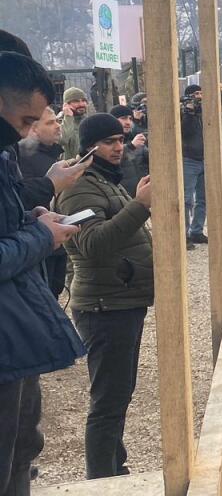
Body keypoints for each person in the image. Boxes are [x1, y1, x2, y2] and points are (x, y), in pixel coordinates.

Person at [0, 52, 85, 496]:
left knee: (22, 446)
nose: (26, 132)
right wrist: (40, 236)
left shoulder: (5, 153)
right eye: (26, 120)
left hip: (13, 334)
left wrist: (30, 219)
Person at [54, 114, 154, 480]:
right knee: (108, 402)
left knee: (118, 395)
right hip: (104, 306)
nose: (117, 148)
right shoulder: (79, 187)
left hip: (121, 300)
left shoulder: (104, 180)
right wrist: (140, 205)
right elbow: (92, 243)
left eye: (120, 140)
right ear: (89, 147)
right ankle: (101, 480)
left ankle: (115, 468)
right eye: (109, 141)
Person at [16, 107, 71, 296]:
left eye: (57, 120)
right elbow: (22, 199)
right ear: (33, 129)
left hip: (54, 241)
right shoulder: (22, 160)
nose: (58, 126)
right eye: (50, 122)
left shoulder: (51, 155)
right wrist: (50, 184)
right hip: (36, 246)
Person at [179, 84, 207, 246]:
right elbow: (185, 133)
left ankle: (197, 231)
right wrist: (189, 112)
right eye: (196, 93)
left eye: (201, 93)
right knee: (187, 199)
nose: (199, 96)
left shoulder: (205, 111)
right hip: (189, 159)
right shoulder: (183, 113)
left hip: (205, 159)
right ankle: (184, 235)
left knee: (203, 199)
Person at [109, 107, 148, 197]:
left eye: (130, 119)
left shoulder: (135, 139)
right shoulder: (107, 141)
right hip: (123, 196)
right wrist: (131, 147)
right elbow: (110, 160)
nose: (128, 122)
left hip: (142, 194)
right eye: (123, 118)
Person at [57, 88, 89, 159]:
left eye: (83, 100)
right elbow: (63, 140)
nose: (81, 104)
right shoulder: (58, 122)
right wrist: (68, 117)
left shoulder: (88, 121)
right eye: (76, 101)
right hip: (69, 165)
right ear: (66, 105)